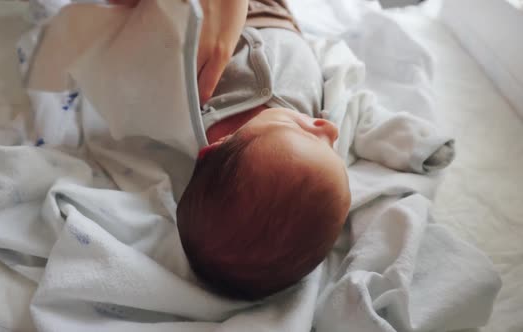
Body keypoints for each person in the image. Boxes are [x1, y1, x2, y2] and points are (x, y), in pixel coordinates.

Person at [113, 0, 454, 301]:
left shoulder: (194, 116)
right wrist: (413, 143)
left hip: (211, 19)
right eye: (333, 150)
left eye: (299, 130)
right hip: (281, 18)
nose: (327, 129)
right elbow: (361, 113)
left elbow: (144, 83)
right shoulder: (324, 126)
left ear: (214, 150)